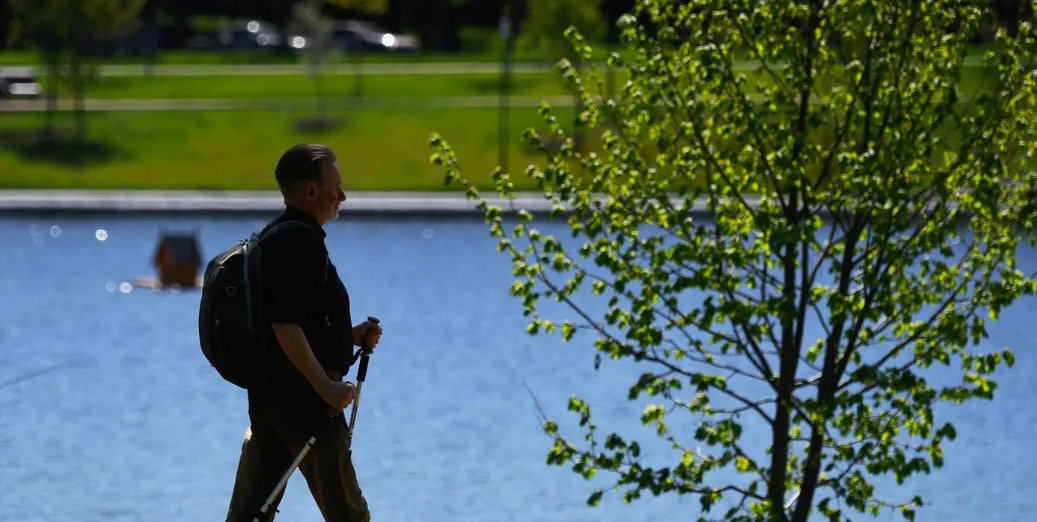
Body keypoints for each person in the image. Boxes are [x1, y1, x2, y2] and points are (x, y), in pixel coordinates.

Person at [224, 143, 383, 522]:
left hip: (270, 398)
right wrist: (326, 387)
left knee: (249, 516)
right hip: (307, 404)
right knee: (349, 515)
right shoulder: (301, 243)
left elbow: (293, 324)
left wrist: (349, 336)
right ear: (312, 191)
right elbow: (285, 325)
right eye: (337, 186)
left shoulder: (274, 235)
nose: (342, 195)